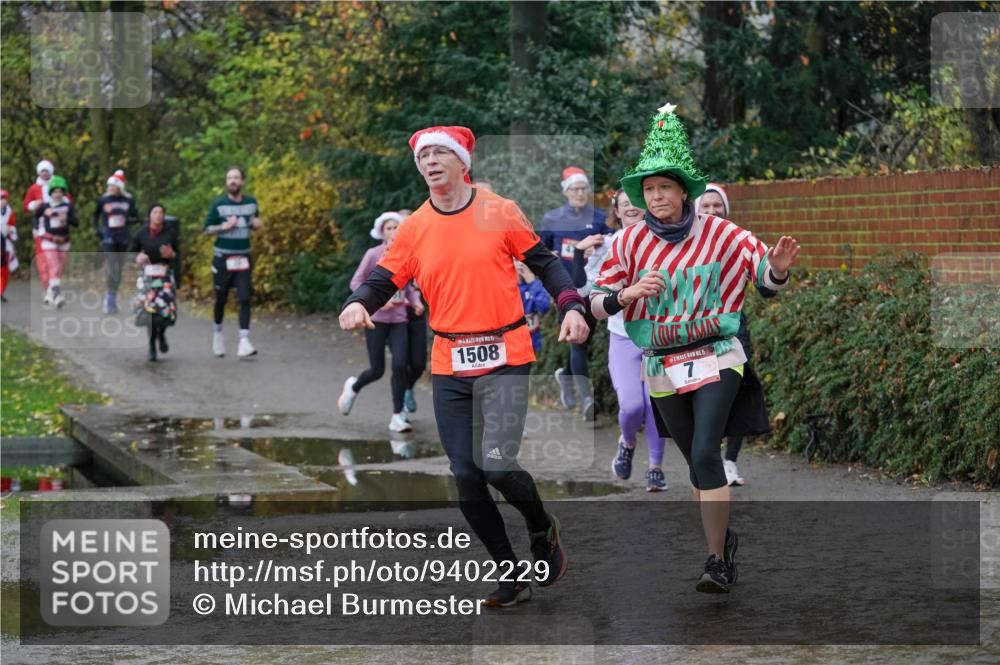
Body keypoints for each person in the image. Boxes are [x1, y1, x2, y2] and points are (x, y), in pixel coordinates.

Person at [340, 125, 590, 607]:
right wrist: (359, 303)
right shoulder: (414, 227)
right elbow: (382, 277)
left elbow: (544, 262)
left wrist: (572, 304)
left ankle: (542, 528)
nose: (430, 161)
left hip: (506, 353)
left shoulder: (498, 211)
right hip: (450, 361)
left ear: (461, 161)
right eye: (423, 156)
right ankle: (509, 572)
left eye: (439, 153)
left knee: (496, 464)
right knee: (466, 474)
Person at [591, 103, 800, 593]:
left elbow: (764, 280)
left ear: (684, 190)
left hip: (716, 353)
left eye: (664, 187)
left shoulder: (721, 232)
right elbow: (596, 304)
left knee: (707, 451)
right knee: (696, 463)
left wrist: (780, 268)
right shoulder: (627, 244)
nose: (656, 196)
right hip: (662, 363)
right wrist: (626, 295)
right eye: (648, 189)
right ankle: (722, 544)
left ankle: (715, 560)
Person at [694, 182, 775, 487]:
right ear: (696, 209)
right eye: (707, 206)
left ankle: (730, 462)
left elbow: (766, 286)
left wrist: (776, 271)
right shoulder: (685, 243)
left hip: (733, 332)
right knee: (704, 399)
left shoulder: (741, 241)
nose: (713, 211)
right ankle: (709, 458)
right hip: (695, 337)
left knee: (736, 394)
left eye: (718, 206)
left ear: (726, 209)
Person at [599, 190, 669, 492]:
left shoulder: (666, 239)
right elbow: (590, 288)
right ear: (616, 210)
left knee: (657, 405)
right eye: (624, 203)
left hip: (659, 336)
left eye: (635, 202)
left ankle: (655, 467)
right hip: (623, 335)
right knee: (631, 406)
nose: (631, 208)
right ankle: (627, 443)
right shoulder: (608, 244)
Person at [338, 211, 422, 432]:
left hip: (399, 320)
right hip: (376, 320)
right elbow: (356, 282)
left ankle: (397, 416)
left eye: (397, 227)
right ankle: (353, 386)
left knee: (400, 365)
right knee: (377, 369)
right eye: (389, 228)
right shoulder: (373, 254)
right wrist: (375, 300)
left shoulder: (407, 254)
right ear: (382, 233)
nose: (394, 232)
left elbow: (408, 284)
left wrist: (415, 302)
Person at [540, 167, 612, 420]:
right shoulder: (551, 219)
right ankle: (587, 399)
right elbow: (542, 254)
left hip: (593, 288)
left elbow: (610, 250)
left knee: (585, 341)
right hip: (566, 291)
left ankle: (566, 376)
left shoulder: (600, 217)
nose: (580, 193)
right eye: (575, 189)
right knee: (578, 342)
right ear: (566, 192)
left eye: (583, 188)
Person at [203, 166, 261, 358]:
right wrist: (224, 226)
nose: (232, 181)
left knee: (245, 298)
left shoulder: (251, 203)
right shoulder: (218, 205)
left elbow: (254, 222)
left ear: (242, 182)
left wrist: (256, 225)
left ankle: (244, 341)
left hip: (243, 257)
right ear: (226, 182)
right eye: (229, 178)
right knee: (221, 299)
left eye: (236, 178)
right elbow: (206, 230)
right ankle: (217, 335)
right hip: (223, 258)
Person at [131, 204, 179, 361]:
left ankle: (162, 335)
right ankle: (152, 345)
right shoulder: (141, 234)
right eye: (155, 212)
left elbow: (178, 254)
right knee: (149, 312)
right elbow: (131, 253)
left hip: (164, 276)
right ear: (149, 215)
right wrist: (137, 258)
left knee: (165, 312)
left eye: (161, 212)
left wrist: (171, 254)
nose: (158, 215)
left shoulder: (170, 233)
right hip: (147, 277)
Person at [93, 170, 139, 314]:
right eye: (110, 186)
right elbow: (95, 215)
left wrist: (127, 219)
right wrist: (97, 230)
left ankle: (112, 296)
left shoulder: (128, 200)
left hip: (123, 237)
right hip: (108, 237)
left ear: (120, 187)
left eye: (114, 186)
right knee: (112, 265)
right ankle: (110, 298)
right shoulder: (104, 200)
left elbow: (136, 217)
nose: (111, 189)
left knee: (118, 268)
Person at [23, 159, 71, 293]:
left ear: (51, 172)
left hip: (59, 229)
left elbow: (69, 204)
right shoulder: (34, 188)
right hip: (40, 227)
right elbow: (26, 206)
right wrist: (34, 204)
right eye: (42, 171)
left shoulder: (58, 185)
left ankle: (54, 284)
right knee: (43, 257)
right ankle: (48, 286)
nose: (44, 174)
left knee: (59, 260)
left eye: (46, 171)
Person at [398, 209, 427, 419]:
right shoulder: (394, 251)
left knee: (418, 363)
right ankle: (398, 411)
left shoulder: (426, 249)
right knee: (400, 362)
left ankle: (408, 386)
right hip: (395, 315)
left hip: (417, 311)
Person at [34, 176, 78, 308]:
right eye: (55, 192)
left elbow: (76, 223)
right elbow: (35, 219)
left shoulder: (67, 206)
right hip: (49, 240)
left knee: (59, 269)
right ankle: (58, 295)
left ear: (63, 192)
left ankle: (49, 293)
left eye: (60, 191)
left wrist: (67, 218)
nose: (58, 194)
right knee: (54, 266)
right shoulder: (44, 206)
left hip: (64, 240)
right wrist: (39, 231)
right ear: (51, 193)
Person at [515, 259, 550, 351]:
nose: (520, 264)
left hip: (532, 342)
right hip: (511, 344)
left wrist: (532, 283)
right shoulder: (504, 286)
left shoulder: (534, 285)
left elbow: (544, 307)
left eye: (523, 261)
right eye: (515, 260)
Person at [1, 189, 18, 302]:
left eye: (4, 199)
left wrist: (10, 230)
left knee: (4, 269)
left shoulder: (10, 212)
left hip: (5, 244)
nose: (2, 201)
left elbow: (12, 226)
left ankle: (1, 292)